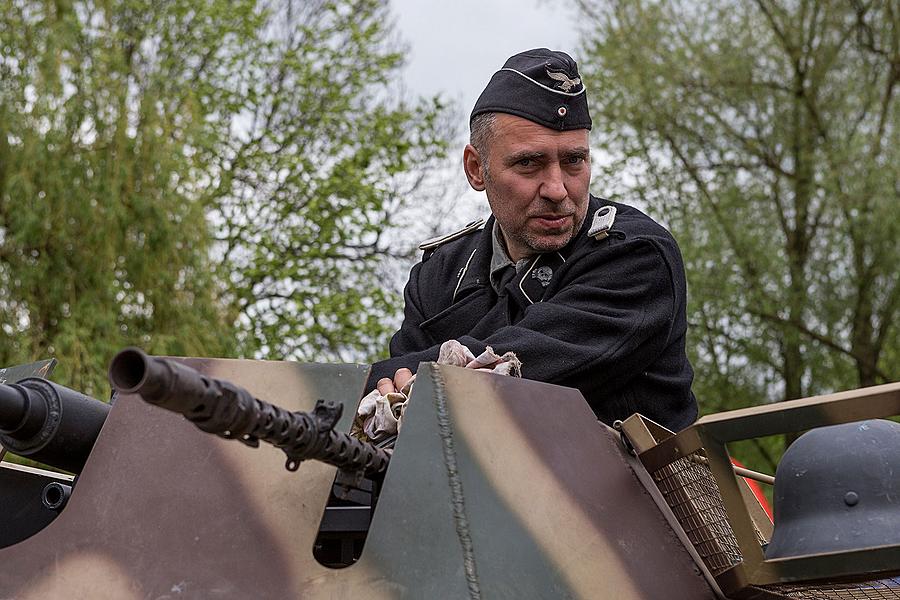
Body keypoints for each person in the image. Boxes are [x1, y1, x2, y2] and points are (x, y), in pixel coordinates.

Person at [365, 48, 698, 431]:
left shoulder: (635, 255)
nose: (557, 189)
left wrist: (388, 383)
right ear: (477, 169)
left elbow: (517, 372)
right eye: (529, 163)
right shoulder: (440, 275)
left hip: (637, 488)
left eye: (574, 161)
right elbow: (395, 404)